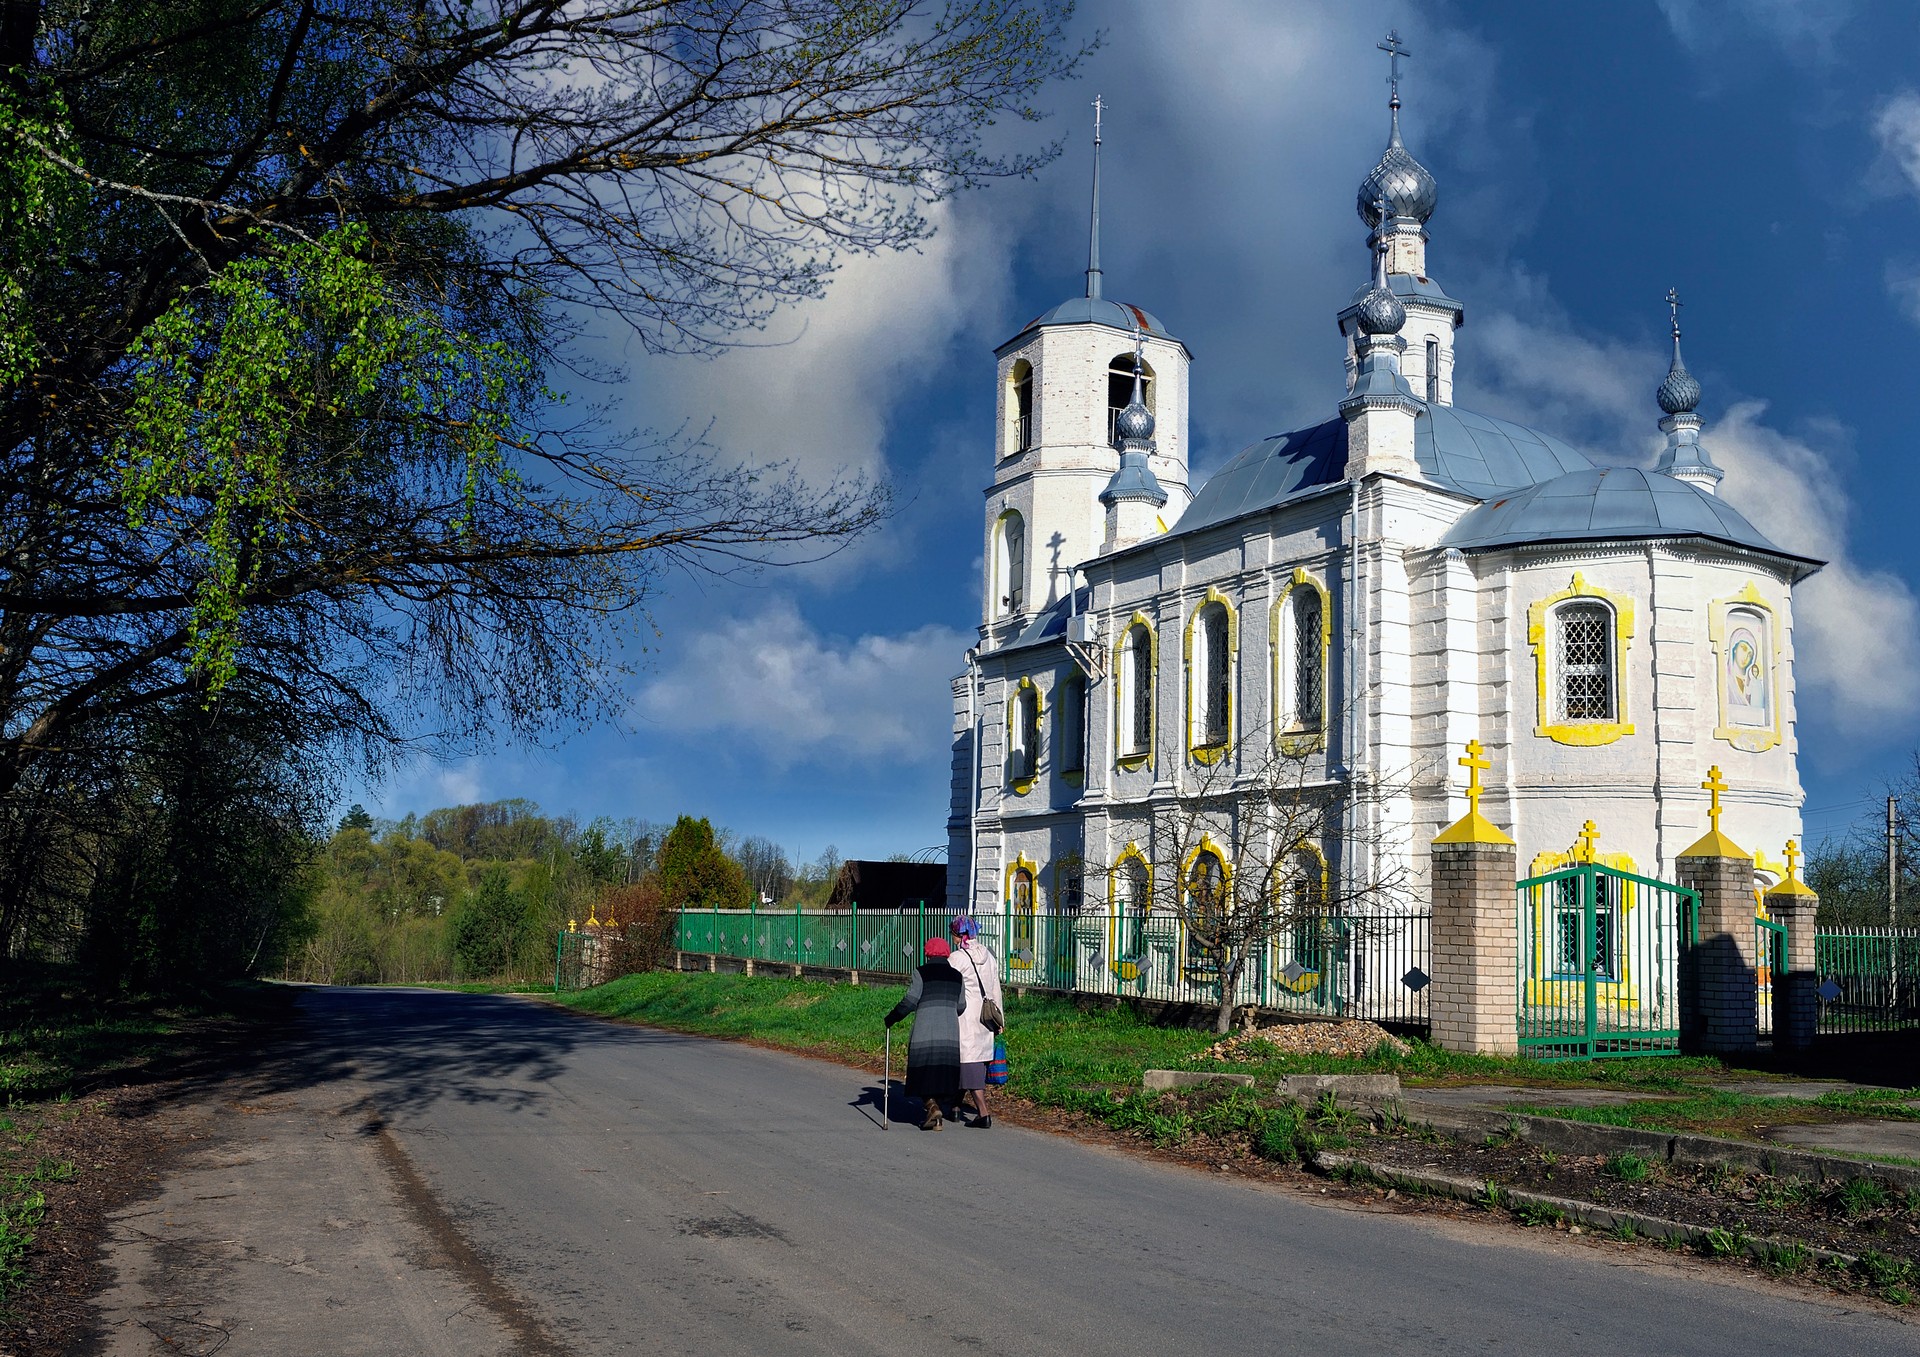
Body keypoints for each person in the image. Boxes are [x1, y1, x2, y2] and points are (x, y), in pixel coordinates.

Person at [884, 936, 968, 1131]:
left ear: (927, 953)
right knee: (941, 1073)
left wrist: (892, 1017)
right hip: (949, 1034)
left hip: (925, 1031)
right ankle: (937, 1118)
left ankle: (931, 1106)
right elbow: (961, 1006)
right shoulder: (957, 976)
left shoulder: (920, 973)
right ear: (947, 953)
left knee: (922, 1071)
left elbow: (910, 1001)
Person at [948, 914, 1004, 1129]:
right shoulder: (989, 955)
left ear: (960, 935)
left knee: (968, 1062)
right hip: (987, 1016)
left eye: (953, 934)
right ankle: (954, 1106)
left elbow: (951, 987)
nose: (952, 937)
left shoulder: (957, 958)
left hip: (966, 1016)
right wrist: (1000, 1018)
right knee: (976, 1061)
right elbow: (995, 988)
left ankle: (983, 1113)